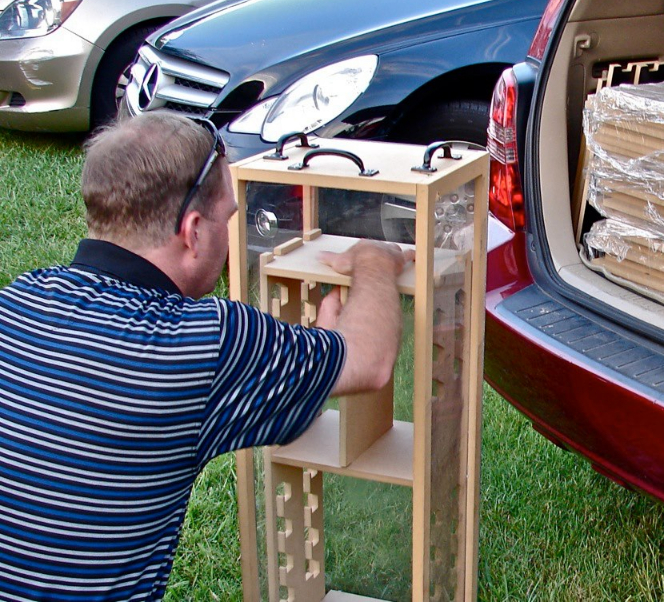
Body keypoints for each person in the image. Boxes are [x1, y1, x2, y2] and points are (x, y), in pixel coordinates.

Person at [0, 112, 411, 601]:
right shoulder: (202, 343)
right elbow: (370, 359)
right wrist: (374, 259)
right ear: (193, 231)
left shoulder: (19, 299)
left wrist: (307, 365)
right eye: (229, 219)